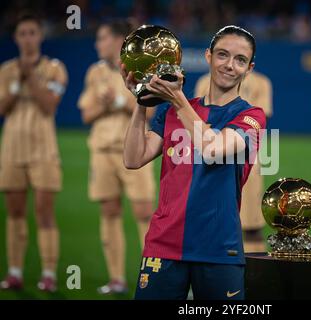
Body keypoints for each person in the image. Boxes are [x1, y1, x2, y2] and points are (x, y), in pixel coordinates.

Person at [121, 25, 266, 300]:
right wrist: (141, 101)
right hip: (164, 243)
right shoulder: (171, 110)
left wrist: (176, 100)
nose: (230, 66)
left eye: (240, 60)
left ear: (249, 68)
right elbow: (133, 158)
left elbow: (212, 150)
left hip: (219, 249)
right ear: (208, 56)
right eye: (223, 55)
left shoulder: (251, 116)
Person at [78, 21, 156, 295]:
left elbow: (154, 112)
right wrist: (104, 102)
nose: (97, 43)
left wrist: (122, 102)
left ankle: (151, 277)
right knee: (109, 212)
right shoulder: (94, 72)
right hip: (102, 151)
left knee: (144, 213)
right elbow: (86, 115)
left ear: (118, 40)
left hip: (136, 153)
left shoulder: (141, 67)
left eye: (101, 37)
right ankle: (116, 279)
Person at [0, 13, 68, 292]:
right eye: (22, 33)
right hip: (12, 149)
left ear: (40, 36)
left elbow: (49, 105)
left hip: (44, 150)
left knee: (44, 211)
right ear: (15, 38)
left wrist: (29, 77)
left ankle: (49, 273)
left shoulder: (55, 69)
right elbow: (2, 108)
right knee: (14, 211)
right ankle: (14, 271)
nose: (27, 38)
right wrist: (18, 82)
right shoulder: (5, 71)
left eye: (32, 33)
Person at [194, 70, 272, 253]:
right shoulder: (204, 81)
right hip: (210, 159)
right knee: (210, 225)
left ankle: (253, 279)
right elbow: (197, 119)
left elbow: (257, 121)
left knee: (251, 227)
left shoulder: (261, 82)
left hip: (246, 159)